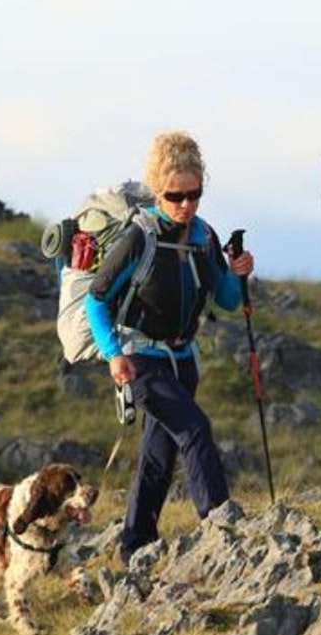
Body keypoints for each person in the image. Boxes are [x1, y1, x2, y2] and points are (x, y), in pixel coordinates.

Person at [85, 131, 254, 562]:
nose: (186, 204)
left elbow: (228, 300)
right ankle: (221, 529)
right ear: (157, 190)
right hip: (141, 359)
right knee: (194, 430)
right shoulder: (137, 239)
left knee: (158, 458)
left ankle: (133, 544)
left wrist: (238, 273)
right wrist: (113, 354)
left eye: (194, 194)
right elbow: (97, 299)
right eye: (175, 195)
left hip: (184, 361)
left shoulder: (204, 236)